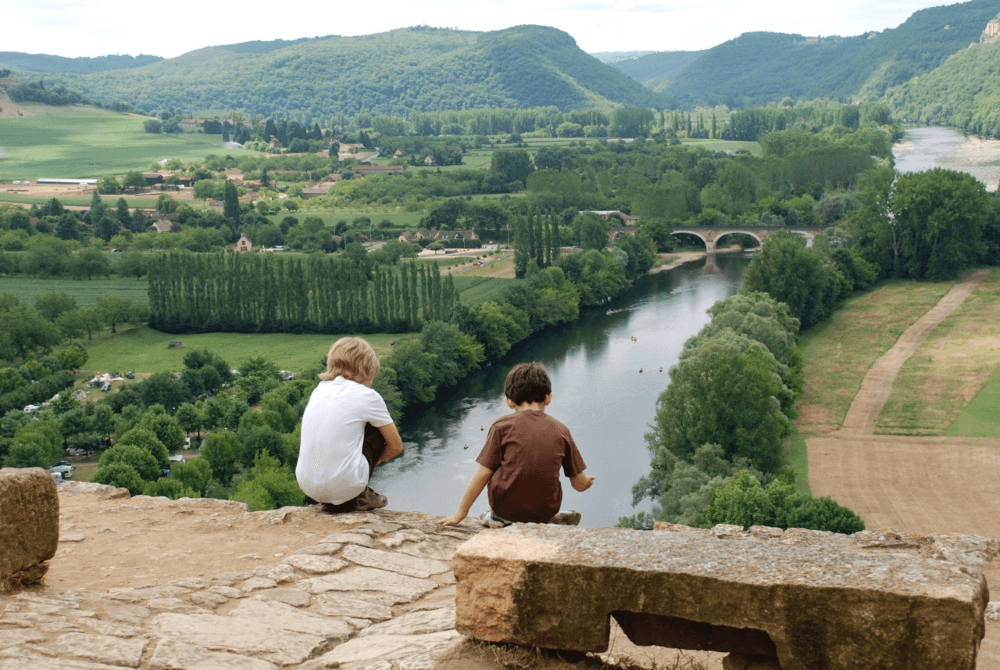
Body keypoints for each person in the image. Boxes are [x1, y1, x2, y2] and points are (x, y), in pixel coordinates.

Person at [439, 362, 595, 527]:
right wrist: (586, 481)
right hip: (544, 513)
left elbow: (483, 473)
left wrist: (460, 513)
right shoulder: (562, 430)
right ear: (549, 397)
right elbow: (578, 484)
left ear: (509, 401)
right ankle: (547, 520)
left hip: (506, 511)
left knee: (490, 497)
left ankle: (496, 519)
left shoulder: (501, 427)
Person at [296, 337, 403, 512]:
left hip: (307, 486)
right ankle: (357, 494)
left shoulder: (319, 390)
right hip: (346, 487)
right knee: (377, 428)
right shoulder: (368, 396)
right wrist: (375, 461)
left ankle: (336, 495)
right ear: (367, 371)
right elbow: (396, 446)